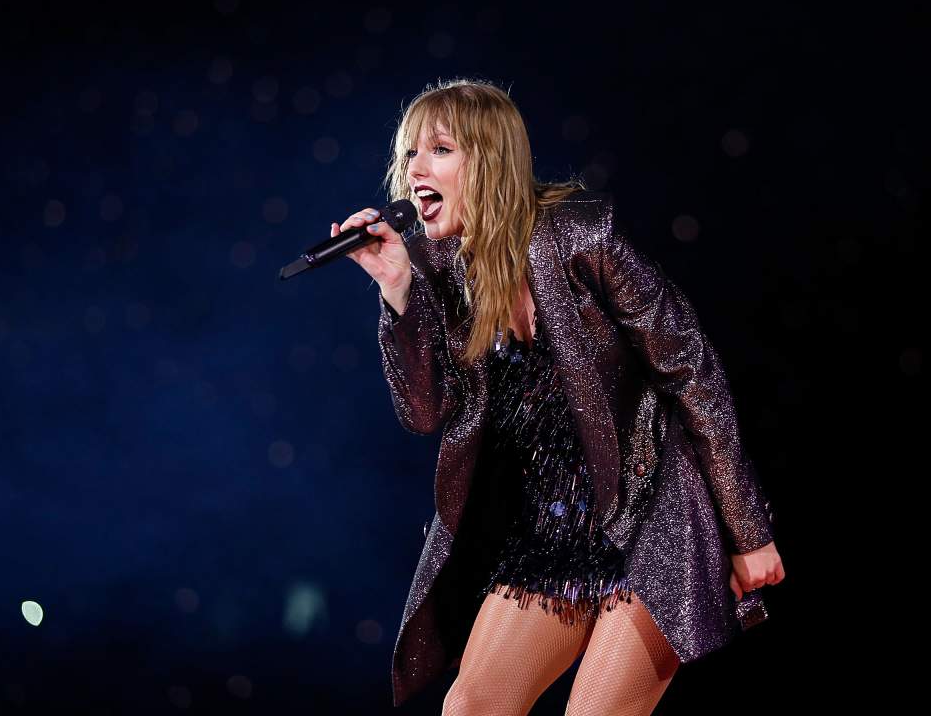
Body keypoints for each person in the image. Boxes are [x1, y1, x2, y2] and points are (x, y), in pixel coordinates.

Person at [331, 79, 785, 714]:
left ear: (488, 160)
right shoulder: (437, 272)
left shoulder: (581, 238)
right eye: (408, 154)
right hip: (548, 537)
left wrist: (747, 530)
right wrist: (398, 291)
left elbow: (693, 372)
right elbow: (424, 412)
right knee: (470, 707)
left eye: (437, 149)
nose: (414, 170)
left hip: (650, 524)